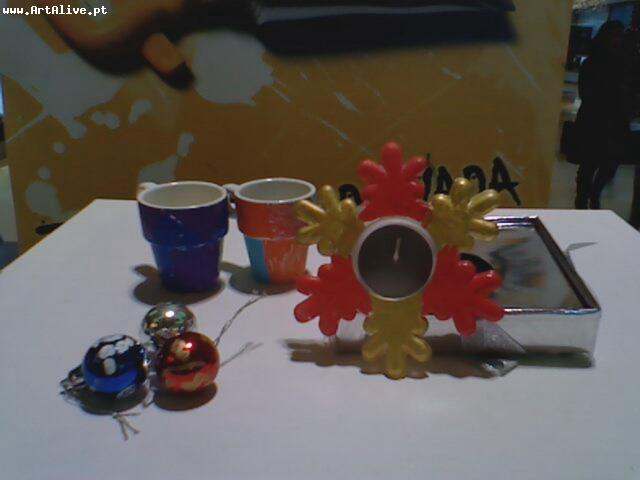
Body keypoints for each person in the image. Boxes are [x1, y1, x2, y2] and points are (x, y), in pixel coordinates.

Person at [572, 21, 630, 209]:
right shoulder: (595, 63)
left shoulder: (619, 62)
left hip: (608, 118)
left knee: (605, 163)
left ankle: (589, 195)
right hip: (598, 118)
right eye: (615, 36)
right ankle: (586, 197)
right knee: (592, 162)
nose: (617, 40)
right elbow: (587, 92)